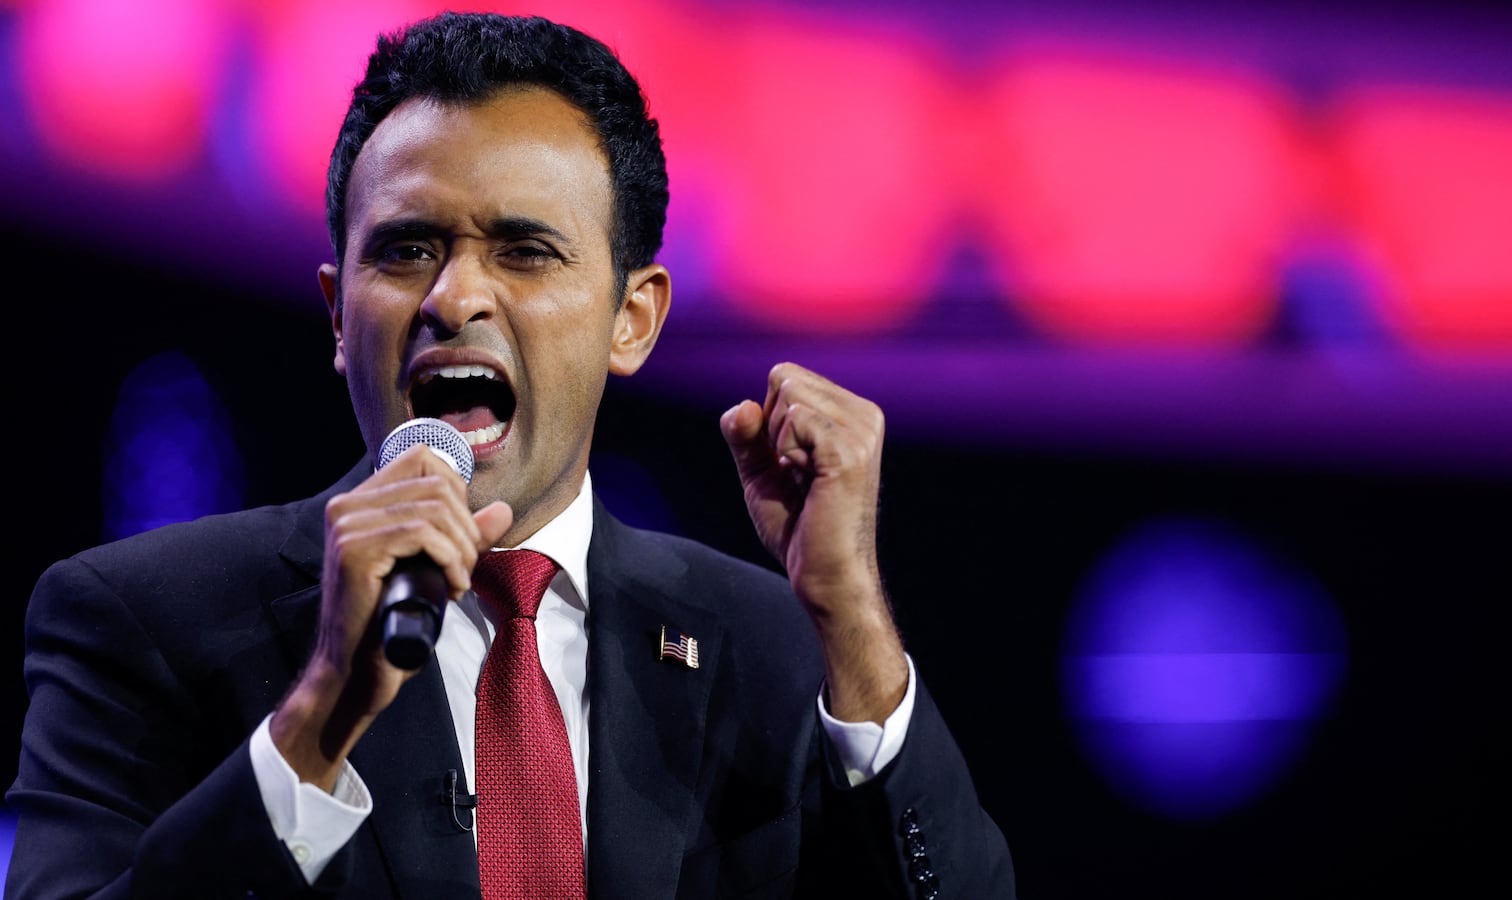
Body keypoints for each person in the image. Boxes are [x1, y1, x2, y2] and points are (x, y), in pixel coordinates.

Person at [5, 11, 1015, 899]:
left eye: (525, 252)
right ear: (338, 315)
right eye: (406, 249)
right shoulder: (140, 621)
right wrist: (315, 724)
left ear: (632, 318)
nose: (453, 298)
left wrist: (853, 622)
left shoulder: (774, 651)